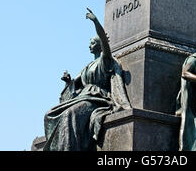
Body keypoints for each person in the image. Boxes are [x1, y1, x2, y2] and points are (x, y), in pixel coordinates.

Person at [43, 9, 131, 151]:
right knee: (49, 114)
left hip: (96, 99)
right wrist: (68, 82)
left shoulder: (105, 60)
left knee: (69, 114)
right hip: (83, 97)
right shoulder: (87, 67)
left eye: (92, 42)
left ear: (99, 45)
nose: (89, 45)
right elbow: (75, 85)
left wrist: (95, 21)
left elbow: (104, 39)